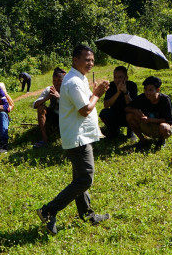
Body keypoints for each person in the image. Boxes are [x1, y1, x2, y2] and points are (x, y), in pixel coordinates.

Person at [36, 44, 110, 235]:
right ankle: (48, 210)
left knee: (79, 177)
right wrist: (97, 94)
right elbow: (85, 109)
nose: (90, 63)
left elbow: (83, 102)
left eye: (92, 60)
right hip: (78, 137)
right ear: (75, 60)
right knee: (85, 178)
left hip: (79, 134)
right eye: (87, 60)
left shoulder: (78, 78)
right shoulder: (74, 82)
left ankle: (86, 214)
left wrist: (92, 92)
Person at [125, 76, 172, 150]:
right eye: (145, 89)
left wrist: (150, 120)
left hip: (160, 127)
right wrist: (136, 111)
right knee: (129, 116)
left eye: (151, 90)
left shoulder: (165, 100)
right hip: (146, 125)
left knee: (164, 127)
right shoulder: (142, 97)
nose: (147, 93)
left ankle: (161, 140)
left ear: (157, 90)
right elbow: (127, 108)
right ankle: (143, 140)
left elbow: (169, 120)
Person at [31, 67, 66, 148]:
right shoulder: (49, 89)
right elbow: (34, 105)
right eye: (54, 80)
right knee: (41, 108)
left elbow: (73, 106)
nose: (56, 83)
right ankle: (44, 139)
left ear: (64, 81)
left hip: (66, 116)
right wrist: (47, 97)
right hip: (54, 116)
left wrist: (59, 97)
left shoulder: (68, 89)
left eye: (59, 81)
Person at [100, 66, 137, 139]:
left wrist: (125, 92)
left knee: (134, 113)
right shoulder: (111, 86)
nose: (117, 80)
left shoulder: (132, 85)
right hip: (115, 113)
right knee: (104, 113)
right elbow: (106, 105)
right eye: (115, 77)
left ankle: (130, 132)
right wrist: (118, 93)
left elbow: (133, 106)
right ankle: (113, 130)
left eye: (120, 77)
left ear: (126, 78)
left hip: (128, 115)